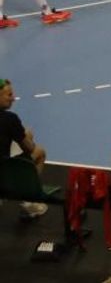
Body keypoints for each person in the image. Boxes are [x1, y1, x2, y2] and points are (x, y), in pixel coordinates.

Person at [0, 78, 50, 220]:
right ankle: (30, 203)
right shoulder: (10, 119)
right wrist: (27, 138)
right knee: (39, 152)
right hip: (3, 173)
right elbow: (29, 148)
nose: (13, 98)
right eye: (9, 95)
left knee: (25, 135)